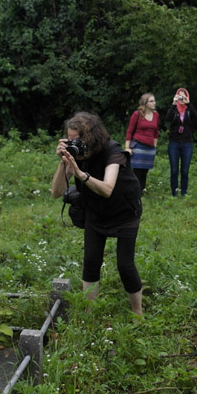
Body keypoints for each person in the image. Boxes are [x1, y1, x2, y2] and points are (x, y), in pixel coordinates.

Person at [51, 112, 144, 315]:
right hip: (96, 212)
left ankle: (138, 314)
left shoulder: (113, 151)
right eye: (70, 139)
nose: (75, 144)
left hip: (124, 211)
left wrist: (80, 174)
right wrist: (64, 161)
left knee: (125, 265)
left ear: (92, 137)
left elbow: (107, 188)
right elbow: (56, 193)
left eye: (78, 140)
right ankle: (88, 314)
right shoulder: (76, 155)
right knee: (91, 262)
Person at [164, 87, 197, 197]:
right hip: (174, 142)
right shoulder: (174, 109)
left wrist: (189, 104)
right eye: (179, 95)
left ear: (187, 97)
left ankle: (184, 192)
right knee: (174, 170)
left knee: (185, 170)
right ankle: (174, 192)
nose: (181, 98)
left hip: (187, 143)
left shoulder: (189, 110)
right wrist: (173, 104)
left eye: (183, 96)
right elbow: (167, 119)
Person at [124, 93, 159, 195]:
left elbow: (156, 132)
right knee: (137, 171)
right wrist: (127, 147)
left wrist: (154, 147)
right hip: (138, 146)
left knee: (145, 171)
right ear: (145, 103)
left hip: (150, 148)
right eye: (151, 101)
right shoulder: (137, 114)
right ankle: (135, 191)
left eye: (154, 101)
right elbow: (130, 131)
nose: (154, 103)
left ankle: (141, 189)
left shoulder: (156, 115)